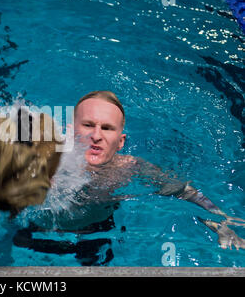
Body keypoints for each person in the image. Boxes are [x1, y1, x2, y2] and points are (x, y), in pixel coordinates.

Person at [13, 90, 245, 265]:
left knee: (99, 261)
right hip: (38, 229)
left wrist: (220, 221)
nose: (96, 136)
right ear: (70, 130)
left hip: (98, 229)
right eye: (88, 125)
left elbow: (183, 192)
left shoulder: (130, 167)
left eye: (107, 128)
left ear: (121, 141)